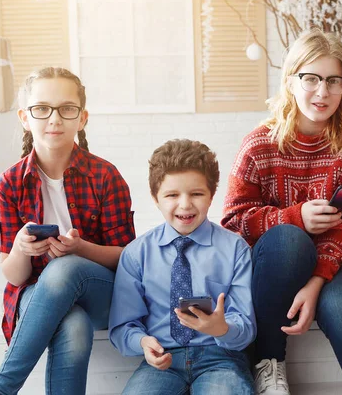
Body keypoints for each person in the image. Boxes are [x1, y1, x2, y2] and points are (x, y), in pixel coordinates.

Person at [222, 28, 342, 395]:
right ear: (290, 80)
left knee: (340, 309)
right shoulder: (258, 146)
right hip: (276, 266)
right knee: (289, 240)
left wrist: (317, 282)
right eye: (312, 78)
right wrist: (294, 217)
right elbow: (233, 222)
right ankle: (269, 361)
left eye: (334, 81)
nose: (323, 92)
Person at [0, 67, 136, 395]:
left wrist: (80, 249)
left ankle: (0, 389)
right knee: (73, 325)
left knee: (65, 267)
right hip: (35, 295)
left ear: (82, 118)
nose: (54, 119)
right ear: (25, 117)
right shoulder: (9, 184)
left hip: (100, 293)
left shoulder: (105, 176)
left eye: (67, 109)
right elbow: (13, 276)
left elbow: (127, 258)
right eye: (42, 109)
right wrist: (22, 249)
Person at [109, 139, 256, 395]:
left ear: (212, 195)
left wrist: (221, 329)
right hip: (162, 361)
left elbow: (245, 324)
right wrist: (143, 342)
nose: (185, 205)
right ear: (156, 198)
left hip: (220, 358)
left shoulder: (235, 249)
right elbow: (123, 326)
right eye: (172, 195)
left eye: (196, 194)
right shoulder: (136, 254)